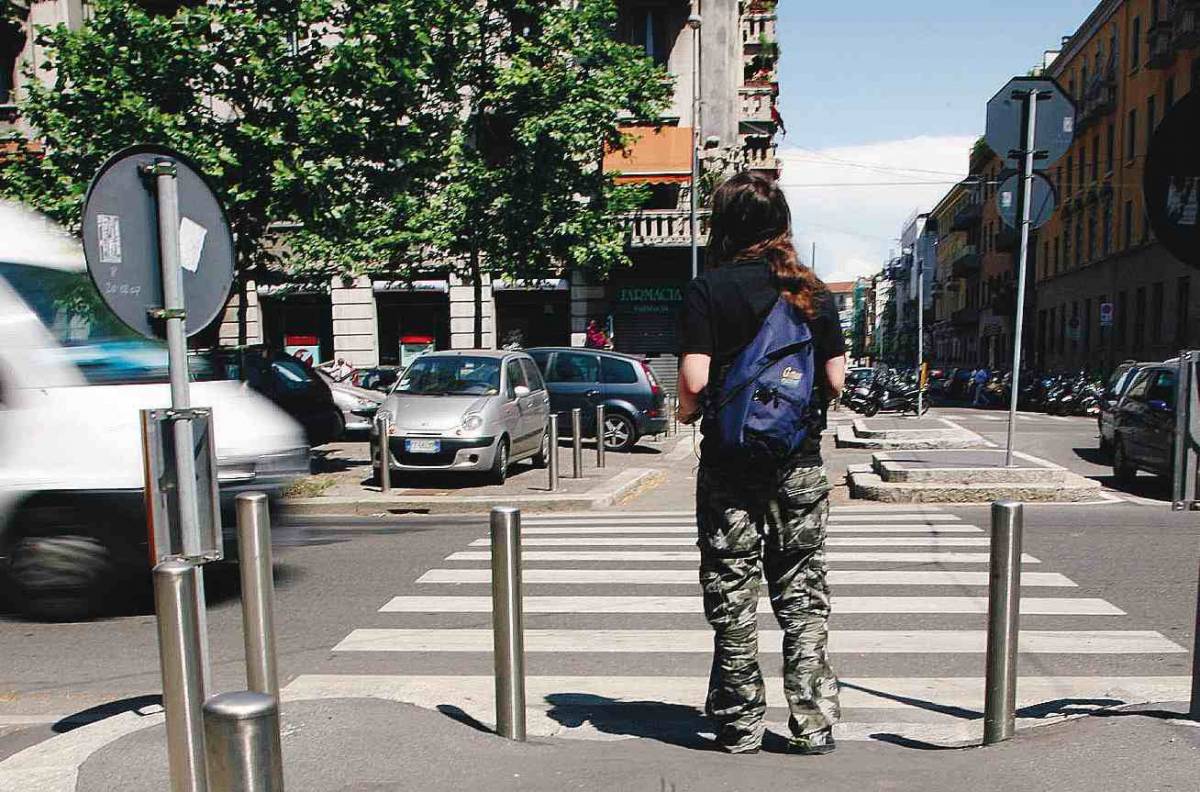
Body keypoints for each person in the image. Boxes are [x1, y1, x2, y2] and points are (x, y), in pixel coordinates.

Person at [676, 172, 846, 755]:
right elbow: (835, 379)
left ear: (723, 225)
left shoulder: (709, 289)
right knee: (802, 590)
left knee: (732, 591)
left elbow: (695, 380)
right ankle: (812, 721)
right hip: (796, 464)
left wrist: (687, 411)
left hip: (728, 468)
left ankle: (740, 723)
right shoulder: (811, 290)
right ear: (781, 224)